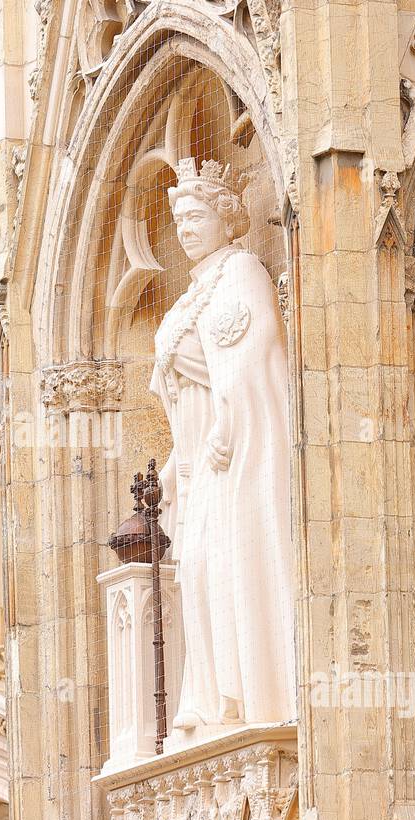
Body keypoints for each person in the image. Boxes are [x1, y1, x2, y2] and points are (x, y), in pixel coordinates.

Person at [150, 158, 296, 736]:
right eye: (180, 218)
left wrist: (227, 424)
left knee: (224, 561)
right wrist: (168, 476)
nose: (186, 227)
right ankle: (207, 695)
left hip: (232, 456)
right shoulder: (191, 296)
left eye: (196, 215)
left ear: (224, 217)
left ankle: (243, 694)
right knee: (197, 573)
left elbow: (255, 356)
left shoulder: (240, 272)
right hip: (197, 466)